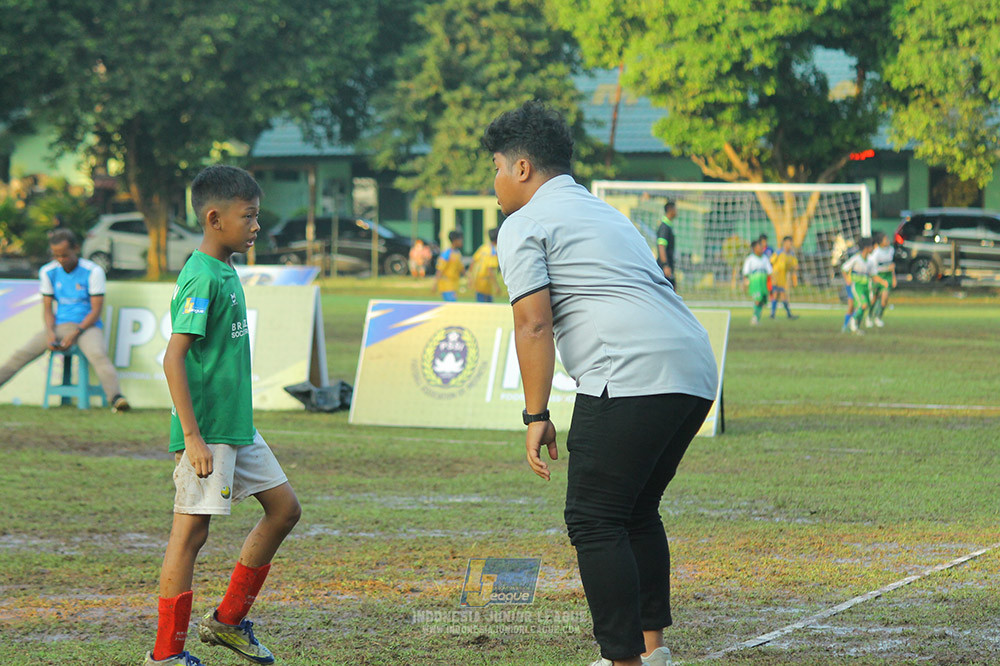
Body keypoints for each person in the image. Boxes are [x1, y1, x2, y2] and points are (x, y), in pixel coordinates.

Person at [484, 101, 718, 666]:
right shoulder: (606, 212)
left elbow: (533, 322)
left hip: (630, 373)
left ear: (521, 169)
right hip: (694, 367)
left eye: (494, 167)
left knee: (593, 519)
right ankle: (651, 651)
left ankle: (625, 661)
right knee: (634, 512)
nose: (492, 182)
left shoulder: (524, 222)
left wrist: (535, 414)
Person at [146, 166, 301, 666]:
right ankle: (165, 656)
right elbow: (174, 357)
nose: (257, 226)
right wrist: (192, 438)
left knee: (285, 510)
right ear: (215, 218)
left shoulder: (226, 268)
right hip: (210, 432)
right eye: (249, 216)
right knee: (190, 536)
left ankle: (227, 622)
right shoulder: (201, 275)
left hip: (237, 426)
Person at [0, 229, 129, 412]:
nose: (61, 259)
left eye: (65, 255)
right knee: (21, 354)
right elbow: (47, 308)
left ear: (76, 249)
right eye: (56, 255)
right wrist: (51, 332)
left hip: (87, 326)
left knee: (98, 354)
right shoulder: (48, 271)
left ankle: (116, 398)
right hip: (59, 325)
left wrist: (75, 334)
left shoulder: (93, 271)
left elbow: (96, 310)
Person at [841, 236, 888, 335]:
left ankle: (854, 326)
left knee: (863, 306)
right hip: (856, 286)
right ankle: (851, 324)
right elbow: (844, 268)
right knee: (861, 305)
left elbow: (873, 275)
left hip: (866, 286)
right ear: (866, 247)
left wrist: (882, 281)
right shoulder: (856, 259)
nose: (873, 248)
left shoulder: (870, 261)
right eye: (871, 246)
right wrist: (847, 280)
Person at [869, 231, 897, 327]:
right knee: (874, 298)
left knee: (884, 299)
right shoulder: (876, 253)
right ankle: (869, 316)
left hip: (887, 276)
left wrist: (893, 277)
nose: (888, 241)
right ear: (880, 242)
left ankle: (878, 317)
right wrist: (879, 278)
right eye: (886, 239)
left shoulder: (891, 250)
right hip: (878, 276)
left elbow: (891, 265)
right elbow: (873, 269)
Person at [742, 239, 772, 325]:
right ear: (754, 248)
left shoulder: (765, 258)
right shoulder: (750, 259)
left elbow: (769, 271)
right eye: (759, 247)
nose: (761, 249)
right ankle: (754, 318)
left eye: (761, 247)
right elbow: (746, 272)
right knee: (757, 300)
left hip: (763, 282)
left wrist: (770, 284)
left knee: (762, 301)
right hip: (755, 282)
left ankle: (757, 318)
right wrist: (745, 282)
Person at [769, 236, 799, 320]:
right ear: (785, 243)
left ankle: (773, 314)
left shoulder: (791, 254)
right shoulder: (778, 252)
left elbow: (795, 265)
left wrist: (794, 270)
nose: (790, 244)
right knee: (778, 294)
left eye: (791, 242)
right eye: (789, 242)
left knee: (780, 295)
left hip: (783, 278)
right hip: (776, 276)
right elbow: (771, 262)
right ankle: (787, 314)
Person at [471, 227, 501, 302]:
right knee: (486, 307)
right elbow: (490, 270)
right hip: (486, 283)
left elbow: (473, 260)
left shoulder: (483, 248)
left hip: (478, 281)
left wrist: (470, 277)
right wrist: (496, 286)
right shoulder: (493, 252)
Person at [433, 230, 465, 301]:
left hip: (454, 285)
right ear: (455, 241)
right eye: (460, 239)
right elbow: (440, 269)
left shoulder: (458, 253)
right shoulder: (446, 253)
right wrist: (435, 284)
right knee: (452, 306)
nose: (462, 241)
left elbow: (461, 268)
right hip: (446, 285)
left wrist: (468, 277)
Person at [656, 201, 677, 289]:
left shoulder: (668, 225)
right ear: (670, 210)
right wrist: (665, 265)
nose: (676, 211)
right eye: (675, 209)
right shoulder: (664, 227)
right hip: (664, 267)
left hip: (668, 265)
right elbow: (661, 247)